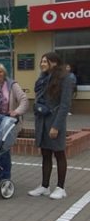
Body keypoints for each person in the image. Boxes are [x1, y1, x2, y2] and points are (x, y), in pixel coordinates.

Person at [29, 52, 74, 200]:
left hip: (55, 121)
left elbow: (65, 104)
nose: (42, 64)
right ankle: (44, 186)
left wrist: (56, 126)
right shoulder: (42, 78)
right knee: (45, 154)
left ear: (54, 62)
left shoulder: (65, 78)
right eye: (41, 61)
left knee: (59, 153)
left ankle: (61, 188)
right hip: (42, 121)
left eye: (45, 61)